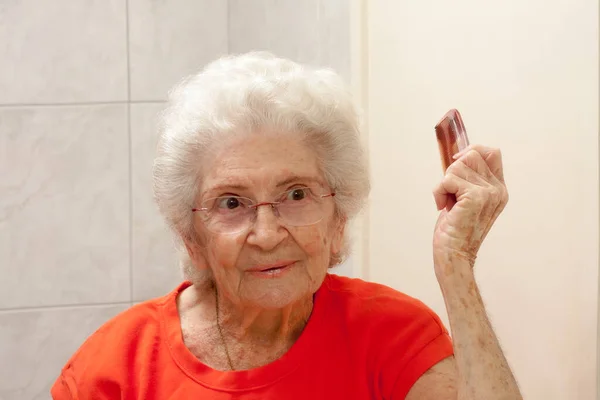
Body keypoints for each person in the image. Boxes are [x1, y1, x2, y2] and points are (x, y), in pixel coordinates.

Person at [51, 52, 522, 399]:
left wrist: (457, 264)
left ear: (339, 217)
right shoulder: (115, 368)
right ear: (190, 236)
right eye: (232, 202)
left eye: (296, 194)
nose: (268, 232)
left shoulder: (393, 337)